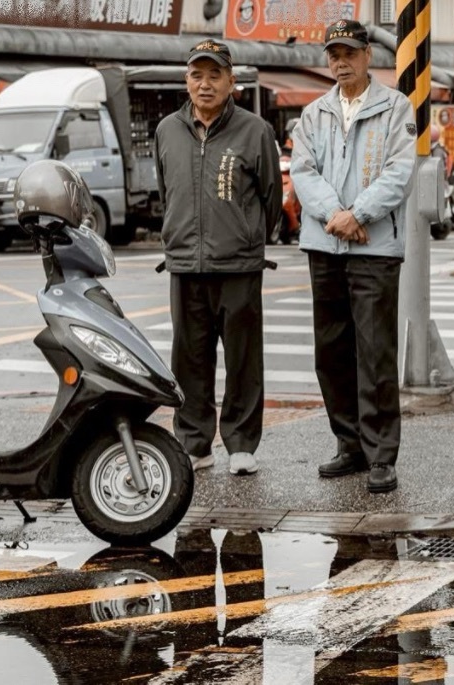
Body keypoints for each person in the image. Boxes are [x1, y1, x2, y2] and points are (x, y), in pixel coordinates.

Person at [290, 19, 417, 494]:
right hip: (325, 243)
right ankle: (350, 444)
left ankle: (381, 453)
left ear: (368, 55)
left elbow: (400, 171)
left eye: (348, 53)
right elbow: (303, 171)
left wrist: (358, 213)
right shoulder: (314, 113)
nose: (340, 63)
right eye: (333, 55)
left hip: (374, 246)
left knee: (375, 351)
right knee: (331, 351)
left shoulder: (395, 107)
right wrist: (335, 216)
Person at [154, 39, 282, 476]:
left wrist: (246, 237)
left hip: (239, 266)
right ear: (186, 80)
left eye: (214, 75)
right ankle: (195, 443)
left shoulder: (255, 131)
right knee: (189, 359)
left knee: (243, 359)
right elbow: (167, 191)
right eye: (197, 75)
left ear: (231, 81)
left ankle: (242, 444)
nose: (205, 84)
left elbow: (271, 198)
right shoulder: (167, 130)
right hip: (184, 264)